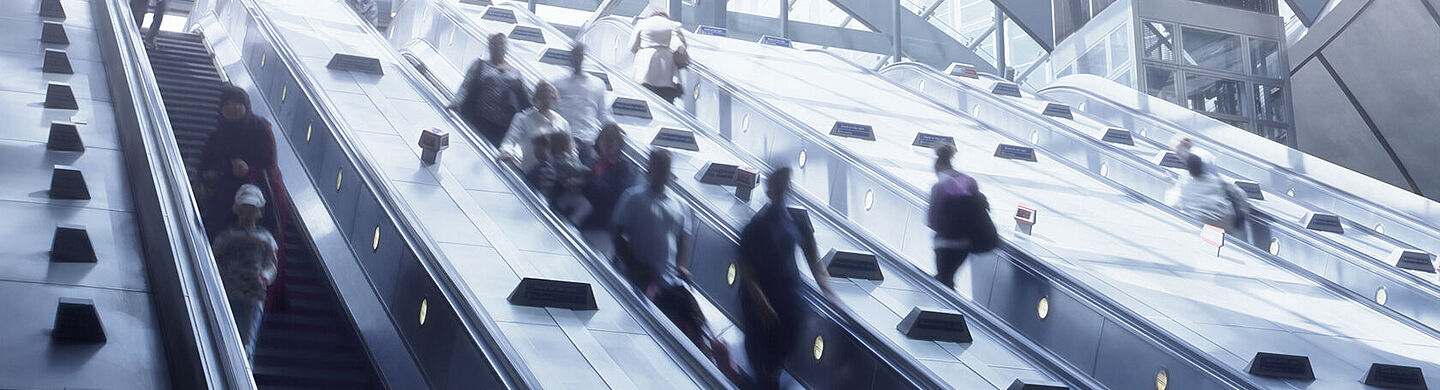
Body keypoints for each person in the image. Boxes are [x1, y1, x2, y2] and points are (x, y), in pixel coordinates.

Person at [738, 167, 832, 390]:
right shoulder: (754, 227)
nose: (783, 191)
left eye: (785, 185)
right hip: (760, 308)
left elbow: (815, 263)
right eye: (778, 186)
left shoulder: (799, 222)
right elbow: (748, 274)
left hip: (789, 306)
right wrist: (763, 306)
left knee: (774, 364)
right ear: (769, 190)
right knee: (762, 363)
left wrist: (832, 293)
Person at [199, 85, 287, 241]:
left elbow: (270, 164)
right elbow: (205, 165)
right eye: (226, 104)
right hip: (225, 197)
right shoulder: (217, 136)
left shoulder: (260, 128)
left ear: (246, 105)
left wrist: (249, 170)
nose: (231, 107)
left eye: (236, 103)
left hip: (257, 195)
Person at [210, 184, 279, 364]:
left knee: (248, 339)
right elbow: (214, 259)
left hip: (253, 294)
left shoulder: (266, 239)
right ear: (237, 209)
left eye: (252, 209)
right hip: (228, 292)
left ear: (260, 212)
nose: (248, 213)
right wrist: (220, 276)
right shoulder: (227, 236)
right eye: (244, 208)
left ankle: (243, 371)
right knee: (225, 334)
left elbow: (271, 264)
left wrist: (265, 276)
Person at [611, 149, 693, 290]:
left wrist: (680, 266)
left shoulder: (681, 205)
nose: (660, 171)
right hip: (638, 275)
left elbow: (682, 239)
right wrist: (631, 264)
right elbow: (617, 233)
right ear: (649, 169)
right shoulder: (632, 198)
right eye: (657, 166)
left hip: (667, 277)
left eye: (664, 167)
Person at [927, 144, 998, 288]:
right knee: (949, 277)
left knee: (943, 279)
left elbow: (932, 221)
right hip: (965, 244)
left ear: (937, 168)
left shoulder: (939, 187)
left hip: (944, 244)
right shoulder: (969, 181)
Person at [454, 34, 531, 146]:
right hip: (478, 119)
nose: (497, 48)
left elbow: (525, 101)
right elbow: (465, 86)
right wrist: (455, 103)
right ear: (489, 47)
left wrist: (518, 88)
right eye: (494, 44)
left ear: (505, 48)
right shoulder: (480, 65)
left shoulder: (515, 73)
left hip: (501, 127)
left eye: (501, 45)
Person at [551, 44, 612, 163]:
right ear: (569, 58)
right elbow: (551, 110)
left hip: (587, 139)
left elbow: (603, 113)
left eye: (580, 56)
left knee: (589, 166)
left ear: (584, 58)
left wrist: (613, 126)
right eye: (574, 56)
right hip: (563, 139)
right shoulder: (557, 83)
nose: (577, 60)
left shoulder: (597, 84)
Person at [500, 82, 572, 171]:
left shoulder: (562, 122)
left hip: (558, 175)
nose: (547, 101)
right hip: (532, 172)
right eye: (543, 97)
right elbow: (510, 140)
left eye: (550, 97)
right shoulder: (523, 118)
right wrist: (506, 152)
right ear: (536, 98)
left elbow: (571, 151)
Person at [1166, 154, 1249, 229]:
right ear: (1201, 165)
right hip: (1224, 222)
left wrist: (1170, 183)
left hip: (1200, 223)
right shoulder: (1215, 179)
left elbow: (1174, 202)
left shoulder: (1185, 184)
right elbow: (1240, 193)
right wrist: (1245, 208)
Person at [525, 134, 593, 225]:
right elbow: (581, 170)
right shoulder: (562, 160)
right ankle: (570, 225)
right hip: (557, 195)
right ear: (565, 146)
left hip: (556, 194)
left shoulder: (546, 163)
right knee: (585, 205)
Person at [581, 124, 637, 230]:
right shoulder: (593, 161)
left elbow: (616, 196)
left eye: (612, 140)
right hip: (584, 210)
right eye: (606, 140)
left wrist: (586, 182)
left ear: (619, 144)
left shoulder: (624, 167)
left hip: (602, 218)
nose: (609, 144)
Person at [629, 8, 687, 103]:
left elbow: (632, 47)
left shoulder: (643, 23)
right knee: (665, 95)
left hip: (645, 60)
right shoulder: (673, 25)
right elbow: (682, 45)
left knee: (644, 92)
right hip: (667, 64)